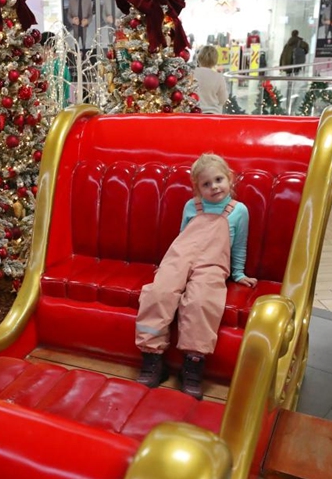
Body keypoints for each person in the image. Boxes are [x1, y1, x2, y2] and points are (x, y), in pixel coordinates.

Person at [135, 154, 256, 399]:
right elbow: (184, 236)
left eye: (218, 180)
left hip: (212, 265)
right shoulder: (192, 206)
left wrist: (239, 273)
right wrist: (168, 267)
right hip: (179, 258)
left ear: (229, 178)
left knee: (201, 301)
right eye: (206, 184)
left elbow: (239, 245)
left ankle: (193, 363)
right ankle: (152, 358)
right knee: (158, 293)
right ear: (197, 188)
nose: (214, 187)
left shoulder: (239, 211)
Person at [194, 45, 229, 114]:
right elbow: (223, 99)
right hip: (213, 115)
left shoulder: (192, 73)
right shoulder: (219, 77)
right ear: (215, 60)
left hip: (194, 113)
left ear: (199, 57)